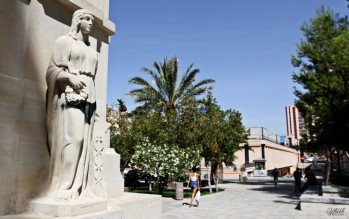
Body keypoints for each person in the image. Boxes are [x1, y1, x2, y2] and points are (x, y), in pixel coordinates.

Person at [45, 9, 99, 201]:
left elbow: (94, 76)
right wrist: (70, 77)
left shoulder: (92, 50)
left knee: (85, 142)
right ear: (77, 21)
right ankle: (65, 184)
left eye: (91, 20)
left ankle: (79, 186)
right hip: (72, 94)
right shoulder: (64, 42)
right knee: (74, 138)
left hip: (90, 95)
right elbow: (51, 71)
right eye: (86, 19)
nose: (90, 23)